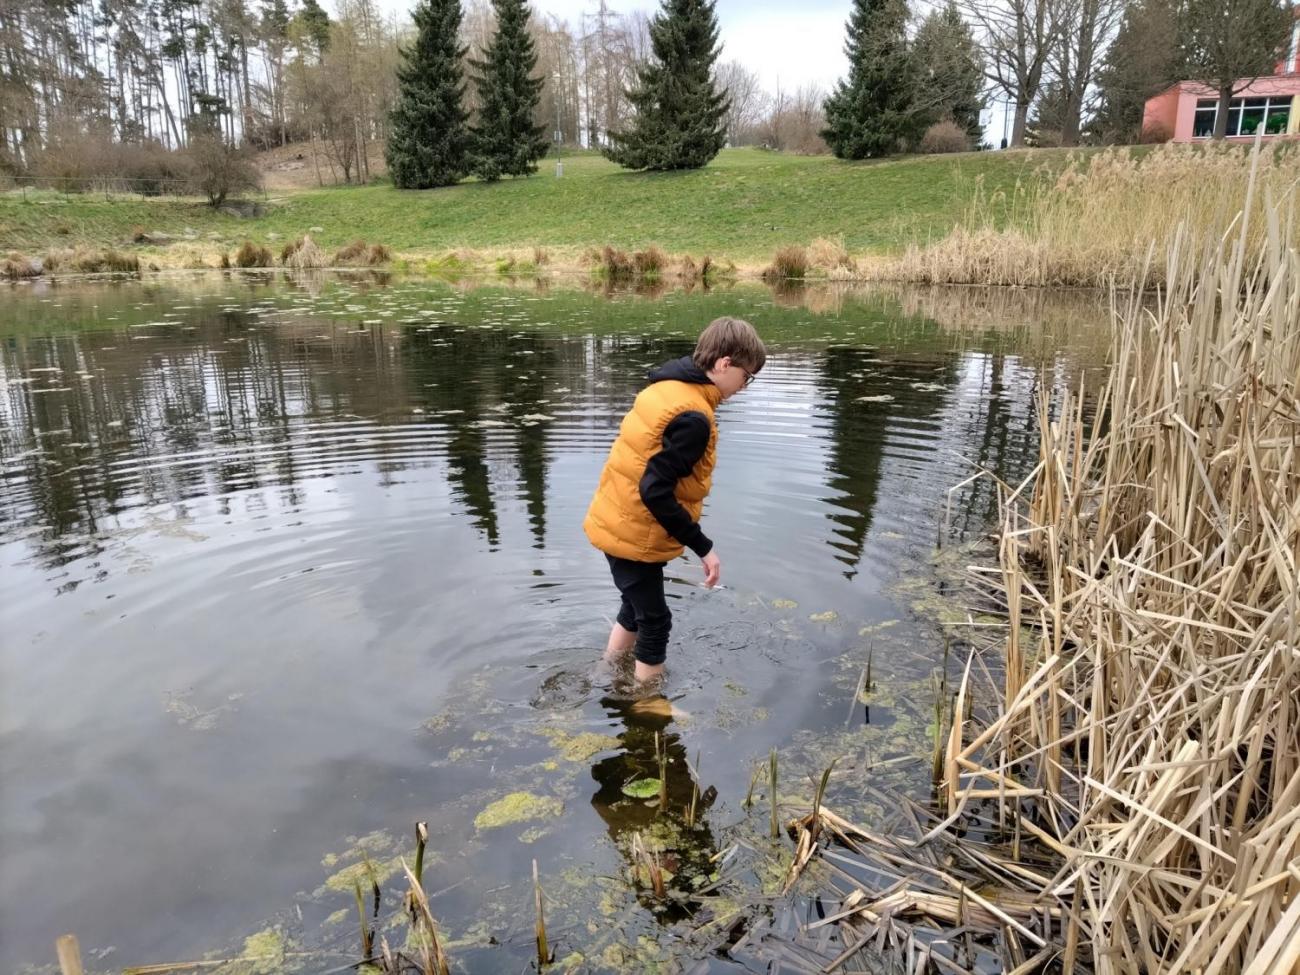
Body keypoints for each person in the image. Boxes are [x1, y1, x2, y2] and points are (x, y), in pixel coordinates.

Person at [583, 316, 766, 684]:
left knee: (636, 607)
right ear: (724, 364)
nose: (744, 387)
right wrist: (703, 547)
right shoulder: (693, 418)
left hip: (617, 520)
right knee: (656, 621)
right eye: (747, 376)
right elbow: (654, 491)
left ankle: (606, 669)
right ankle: (647, 701)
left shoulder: (667, 387)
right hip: (634, 534)